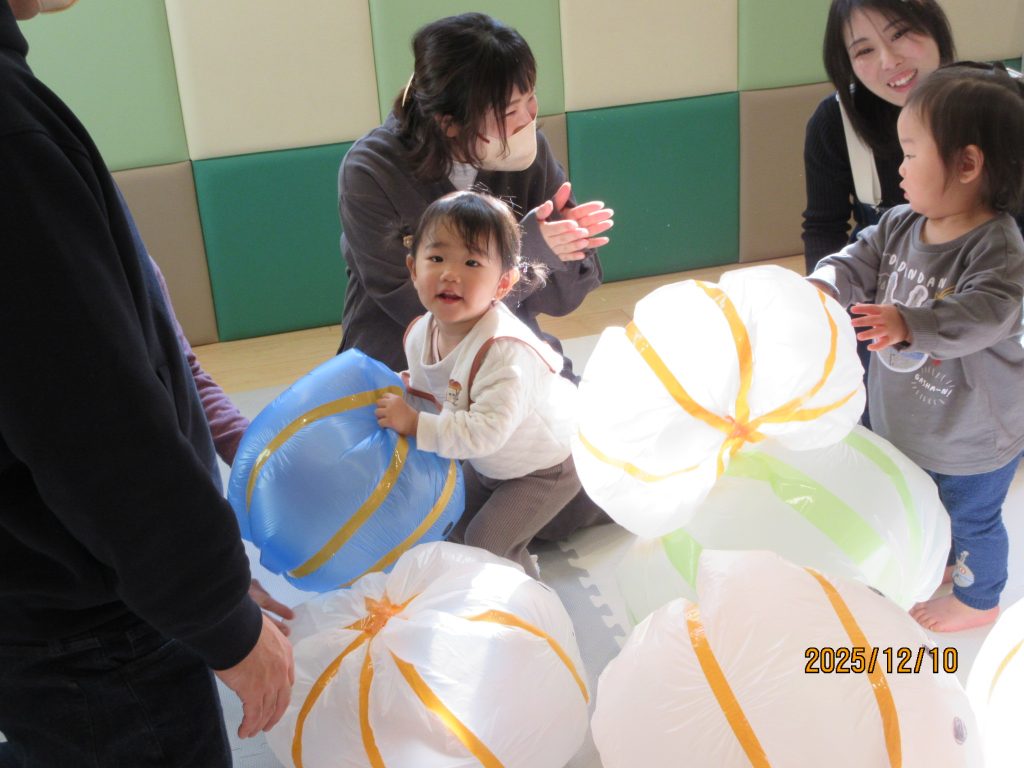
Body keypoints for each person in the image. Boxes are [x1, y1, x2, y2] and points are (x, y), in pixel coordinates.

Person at [0, 1, 293, 764]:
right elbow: (95, 427)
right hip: (87, 632)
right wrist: (217, 613)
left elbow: (142, 365)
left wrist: (209, 578)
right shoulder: (11, 138)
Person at [808, 63, 1024, 631]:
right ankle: (940, 553)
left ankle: (979, 599)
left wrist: (909, 323)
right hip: (907, 417)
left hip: (972, 433)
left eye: (909, 154)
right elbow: (857, 258)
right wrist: (826, 283)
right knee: (913, 496)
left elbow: (985, 315)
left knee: (972, 518)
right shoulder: (902, 222)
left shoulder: (998, 248)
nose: (899, 167)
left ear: (967, 165)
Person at [337, 12, 612, 383]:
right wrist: (530, 250)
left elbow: (562, 302)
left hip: (506, 357)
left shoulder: (529, 154)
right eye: (510, 110)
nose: (529, 118)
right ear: (449, 123)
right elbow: (427, 314)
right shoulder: (372, 170)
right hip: (401, 370)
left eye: (531, 98)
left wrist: (569, 247)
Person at [375, 191, 582, 579]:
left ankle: (526, 602)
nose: (450, 274)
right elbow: (427, 391)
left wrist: (416, 424)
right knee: (449, 523)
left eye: (471, 262)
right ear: (413, 268)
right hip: (491, 461)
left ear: (503, 284)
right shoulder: (420, 333)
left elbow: (485, 433)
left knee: (489, 544)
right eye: (437, 258)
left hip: (545, 465)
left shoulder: (504, 352)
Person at [802, 0, 955, 274]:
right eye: (865, 50)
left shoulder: (1003, 105)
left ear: (933, 24)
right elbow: (824, 229)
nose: (889, 61)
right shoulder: (835, 121)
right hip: (880, 288)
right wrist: (825, 294)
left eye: (900, 33)